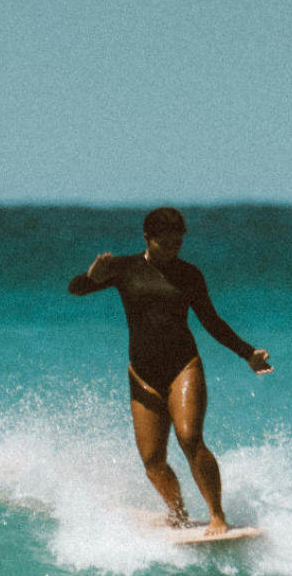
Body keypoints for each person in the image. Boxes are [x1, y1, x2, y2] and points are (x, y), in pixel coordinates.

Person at [67, 207, 273, 535]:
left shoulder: (189, 274)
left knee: (190, 438)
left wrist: (248, 354)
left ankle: (218, 514)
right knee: (152, 461)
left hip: (183, 366)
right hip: (143, 373)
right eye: (165, 243)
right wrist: (93, 276)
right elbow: (75, 290)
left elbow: (211, 321)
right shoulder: (123, 268)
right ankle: (177, 512)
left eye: (178, 243)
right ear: (147, 238)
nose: (173, 249)